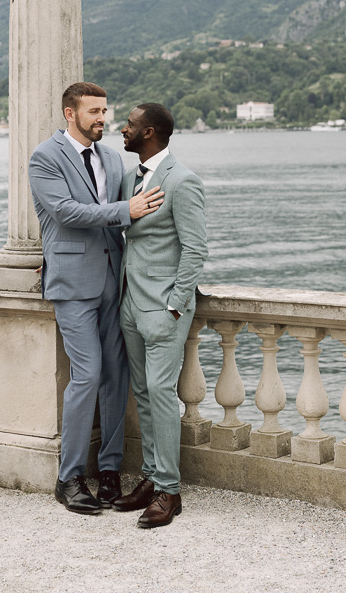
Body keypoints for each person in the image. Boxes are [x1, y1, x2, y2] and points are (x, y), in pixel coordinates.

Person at [28, 82, 164, 515]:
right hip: (71, 283)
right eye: (93, 111)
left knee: (116, 376)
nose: (102, 118)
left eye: (105, 110)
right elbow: (65, 211)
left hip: (113, 278)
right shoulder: (44, 157)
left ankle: (108, 470)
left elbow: (126, 213)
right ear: (71, 114)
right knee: (86, 375)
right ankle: (68, 478)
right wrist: (128, 211)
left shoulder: (110, 156)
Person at [114, 102, 208, 528]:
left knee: (162, 394)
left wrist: (175, 302)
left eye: (129, 125)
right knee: (145, 393)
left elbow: (195, 248)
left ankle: (170, 490)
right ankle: (151, 477)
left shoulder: (183, 181)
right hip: (130, 304)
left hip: (163, 309)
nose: (122, 129)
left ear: (149, 132)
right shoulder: (131, 177)